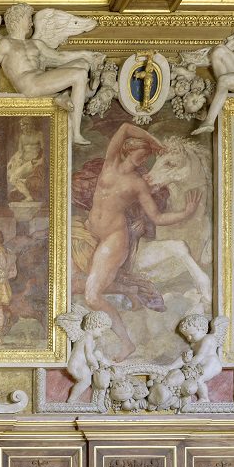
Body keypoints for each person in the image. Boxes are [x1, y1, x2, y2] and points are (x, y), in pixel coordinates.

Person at [82, 122, 202, 360]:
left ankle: (127, 343)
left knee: (91, 296)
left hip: (114, 238)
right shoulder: (110, 163)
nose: (145, 156)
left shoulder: (138, 183)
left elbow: (156, 217)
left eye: (147, 153)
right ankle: (131, 290)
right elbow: (124, 127)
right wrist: (155, 142)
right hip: (89, 232)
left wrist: (185, 214)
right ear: (129, 148)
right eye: (143, 151)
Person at [0, 3, 101, 146]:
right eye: (28, 18)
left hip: (41, 78)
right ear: (17, 20)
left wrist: (86, 55)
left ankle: (64, 95)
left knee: (83, 63)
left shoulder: (36, 43)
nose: (31, 22)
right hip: (28, 84)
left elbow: (60, 56)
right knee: (79, 74)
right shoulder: (6, 43)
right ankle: (75, 134)